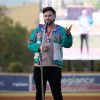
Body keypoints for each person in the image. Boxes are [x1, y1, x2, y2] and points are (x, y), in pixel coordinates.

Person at [28, 7, 73, 100]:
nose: (47, 18)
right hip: (39, 66)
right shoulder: (38, 29)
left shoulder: (61, 30)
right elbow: (30, 44)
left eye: (49, 15)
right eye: (45, 16)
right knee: (39, 93)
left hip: (55, 66)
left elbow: (67, 44)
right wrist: (39, 47)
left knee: (56, 92)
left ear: (54, 17)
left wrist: (68, 35)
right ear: (43, 17)